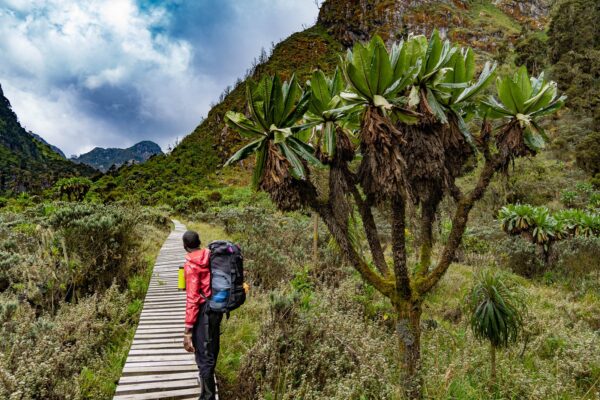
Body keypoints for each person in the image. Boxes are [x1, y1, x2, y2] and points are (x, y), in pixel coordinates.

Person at [182, 230, 223, 400]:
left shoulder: (191, 264)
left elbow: (192, 299)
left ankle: (207, 396)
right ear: (199, 242)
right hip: (216, 308)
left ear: (185, 246)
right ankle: (207, 390)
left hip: (203, 312)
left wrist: (187, 330)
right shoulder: (210, 254)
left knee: (203, 355)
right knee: (211, 347)